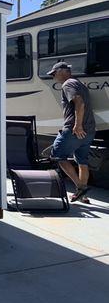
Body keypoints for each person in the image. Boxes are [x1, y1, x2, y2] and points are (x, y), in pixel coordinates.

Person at [48, 62, 96, 203]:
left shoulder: (68, 84)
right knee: (82, 161)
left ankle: (81, 188)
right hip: (90, 130)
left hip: (75, 130)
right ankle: (83, 195)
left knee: (58, 156)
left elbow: (79, 103)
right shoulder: (79, 83)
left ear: (63, 71)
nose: (53, 77)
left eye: (54, 73)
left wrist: (77, 125)